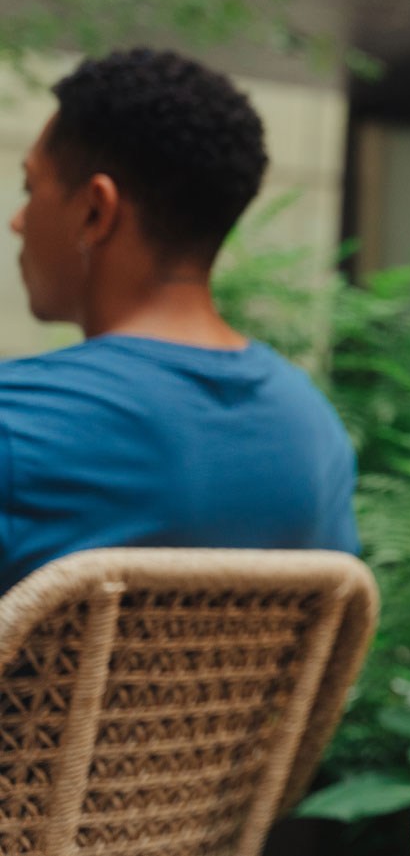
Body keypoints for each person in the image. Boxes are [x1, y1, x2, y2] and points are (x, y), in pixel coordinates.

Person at [0, 48, 357, 592]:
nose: (18, 222)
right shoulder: (313, 429)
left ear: (96, 211)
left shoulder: (17, 423)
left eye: (31, 189)